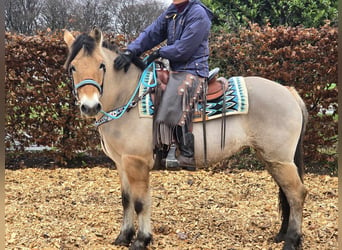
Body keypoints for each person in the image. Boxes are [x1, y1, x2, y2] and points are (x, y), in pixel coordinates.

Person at [114, 0, 213, 170]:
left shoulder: (198, 14)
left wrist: (160, 52)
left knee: (174, 97)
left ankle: (184, 153)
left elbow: (184, 49)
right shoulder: (173, 10)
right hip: (176, 69)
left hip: (193, 70)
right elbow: (151, 33)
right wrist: (131, 51)